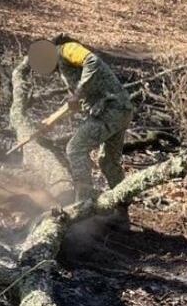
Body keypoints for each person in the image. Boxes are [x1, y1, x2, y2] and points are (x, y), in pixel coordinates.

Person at [29, 35, 134, 205]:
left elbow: (92, 61)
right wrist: (50, 121)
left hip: (111, 109)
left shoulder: (66, 49)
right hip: (120, 110)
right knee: (107, 161)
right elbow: (74, 105)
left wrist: (77, 93)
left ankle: (84, 202)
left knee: (75, 148)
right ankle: (123, 205)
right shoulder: (64, 69)